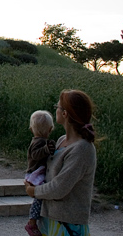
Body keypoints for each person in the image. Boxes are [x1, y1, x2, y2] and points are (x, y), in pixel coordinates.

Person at [24, 90, 97, 236]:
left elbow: (59, 187)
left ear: (65, 114)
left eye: (57, 106)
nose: (55, 109)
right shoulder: (61, 140)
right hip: (50, 219)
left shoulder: (82, 149)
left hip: (68, 224)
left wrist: (34, 191)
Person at [24, 110, 56, 236]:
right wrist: (46, 149)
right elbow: (35, 155)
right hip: (35, 174)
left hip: (39, 172)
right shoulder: (37, 142)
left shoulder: (42, 141)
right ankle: (31, 222)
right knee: (39, 197)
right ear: (51, 129)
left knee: (41, 197)